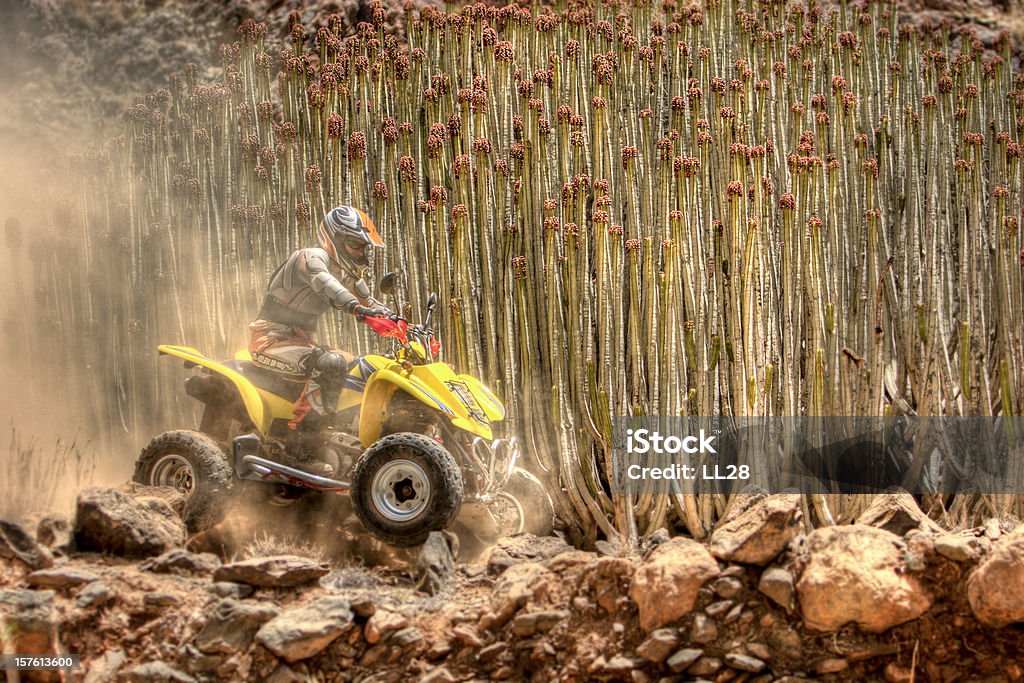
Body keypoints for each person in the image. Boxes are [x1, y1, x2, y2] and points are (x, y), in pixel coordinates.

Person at [248, 205, 403, 476]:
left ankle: (342, 437)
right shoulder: (310, 257)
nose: (362, 253)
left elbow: (371, 303)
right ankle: (301, 448)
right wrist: (357, 308)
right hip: (270, 341)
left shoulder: (348, 274)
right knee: (331, 363)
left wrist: (400, 323)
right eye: (356, 245)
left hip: (301, 344)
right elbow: (325, 285)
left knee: (362, 367)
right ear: (336, 238)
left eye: (364, 247)